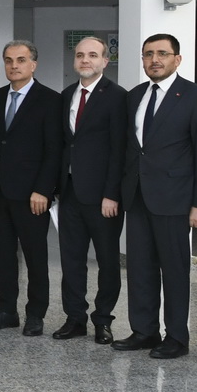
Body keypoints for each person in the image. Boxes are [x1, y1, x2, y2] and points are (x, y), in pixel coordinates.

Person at [114, 34, 197, 359]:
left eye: (162, 53)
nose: (154, 60)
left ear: (177, 59)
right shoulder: (135, 96)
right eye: (148, 54)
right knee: (139, 268)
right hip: (137, 196)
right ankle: (144, 331)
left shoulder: (196, 97)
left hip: (175, 198)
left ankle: (176, 337)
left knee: (174, 270)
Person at [0, 40, 62, 336]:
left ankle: (35, 314)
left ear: (33, 64)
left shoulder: (50, 100)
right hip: (0, 193)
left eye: (21, 60)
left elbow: (54, 150)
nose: (14, 66)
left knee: (35, 257)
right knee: (2, 257)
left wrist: (44, 190)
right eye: (9, 60)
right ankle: (6, 311)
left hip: (32, 195)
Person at [55, 35, 127, 344]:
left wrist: (112, 193)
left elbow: (120, 149)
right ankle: (75, 318)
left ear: (105, 61)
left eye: (93, 55)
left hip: (103, 197)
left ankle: (103, 319)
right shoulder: (66, 95)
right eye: (80, 55)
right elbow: (64, 144)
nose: (85, 60)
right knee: (71, 260)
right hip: (70, 192)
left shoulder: (118, 97)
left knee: (108, 261)